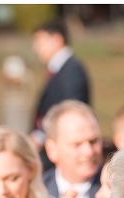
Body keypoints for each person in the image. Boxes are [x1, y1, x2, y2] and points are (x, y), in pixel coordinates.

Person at [42, 100, 104, 198]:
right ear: (52, 149)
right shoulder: (38, 193)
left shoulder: (114, 190)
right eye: (77, 144)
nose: (89, 152)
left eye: (93, 141)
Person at [30, 19, 91, 170]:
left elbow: (71, 111)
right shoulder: (59, 70)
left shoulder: (72, 70)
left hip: (62, 151)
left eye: (40, 42)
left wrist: (40, 137)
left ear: (57, 40)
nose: (36, 48)